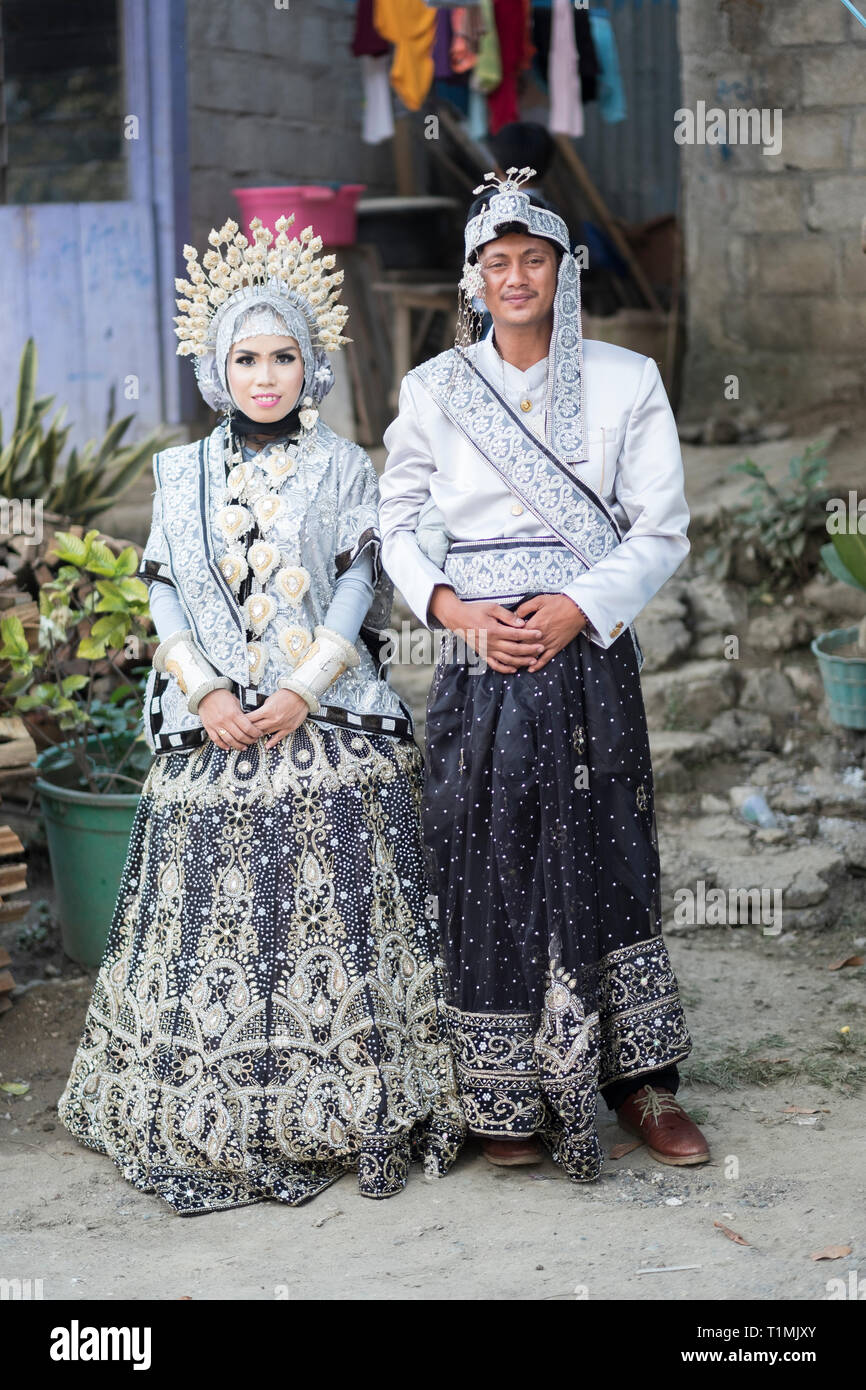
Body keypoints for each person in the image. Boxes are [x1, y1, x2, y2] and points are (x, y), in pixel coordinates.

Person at [57, 213, 465, 1214]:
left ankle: (346, 1089)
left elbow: (358, 586)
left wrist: (301, 689)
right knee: (201, 812)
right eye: (246, 357)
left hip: (319, 706)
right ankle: (206, 1092)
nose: (267, 375)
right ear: (216, 369)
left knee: (336, 789)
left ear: (311, 364)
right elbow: (159, 589)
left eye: (285, 355)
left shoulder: (342, 466)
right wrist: (200, 687)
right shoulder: (177, 472)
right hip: (209, 716)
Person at [378, 169, 710, 1178]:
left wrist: (579, 606)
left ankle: (638, 1079)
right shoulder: (433, 390)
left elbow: (660, 529)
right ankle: (501, 1093)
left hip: (586, 649)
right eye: (496, 260)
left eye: (533, 258)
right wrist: (452, 611)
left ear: (561, 273)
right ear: (473, 279)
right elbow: (395, 520)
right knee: (485, 851)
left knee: (607, 847)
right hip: (479, 654)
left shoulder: (624, 380)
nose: (513, 275)